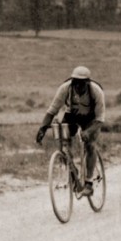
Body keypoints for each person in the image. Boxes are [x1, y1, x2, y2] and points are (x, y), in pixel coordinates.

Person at [36, 66, 106, 196]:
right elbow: (51, 111)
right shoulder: (65, 88)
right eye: (76, 83)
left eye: (82, 84)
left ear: (87, 83)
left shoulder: (96, 91)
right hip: (72, 115)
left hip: (92, 119)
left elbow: (100, 119)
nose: (78, 87)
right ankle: (73, 170)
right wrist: (42, 129)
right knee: (63, 144)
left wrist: (88, 131)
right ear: (72, 82)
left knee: (90, 145)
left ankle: (89, 182)